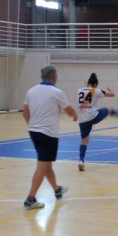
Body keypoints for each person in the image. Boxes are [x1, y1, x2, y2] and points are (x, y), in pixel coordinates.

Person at [22, 66, 78, 209]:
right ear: (54, 77)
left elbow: (25, 112)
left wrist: (33, 125)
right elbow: (69, 110)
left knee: (46, 165)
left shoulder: (31, 91)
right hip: (48, 134)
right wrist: (75, 116)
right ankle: (30, 199)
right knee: (42, 166)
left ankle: (57, 190)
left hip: (33, 132)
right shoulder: (57, 92)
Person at [77, 73, 118, 171]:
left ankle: (81, 160)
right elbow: (112, 95)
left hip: (82, 119)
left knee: (84, 141)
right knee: (108, 108)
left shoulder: (79, 90)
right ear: (96, 84)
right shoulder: (96, 91)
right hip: (93, 116)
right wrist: (110, 88)